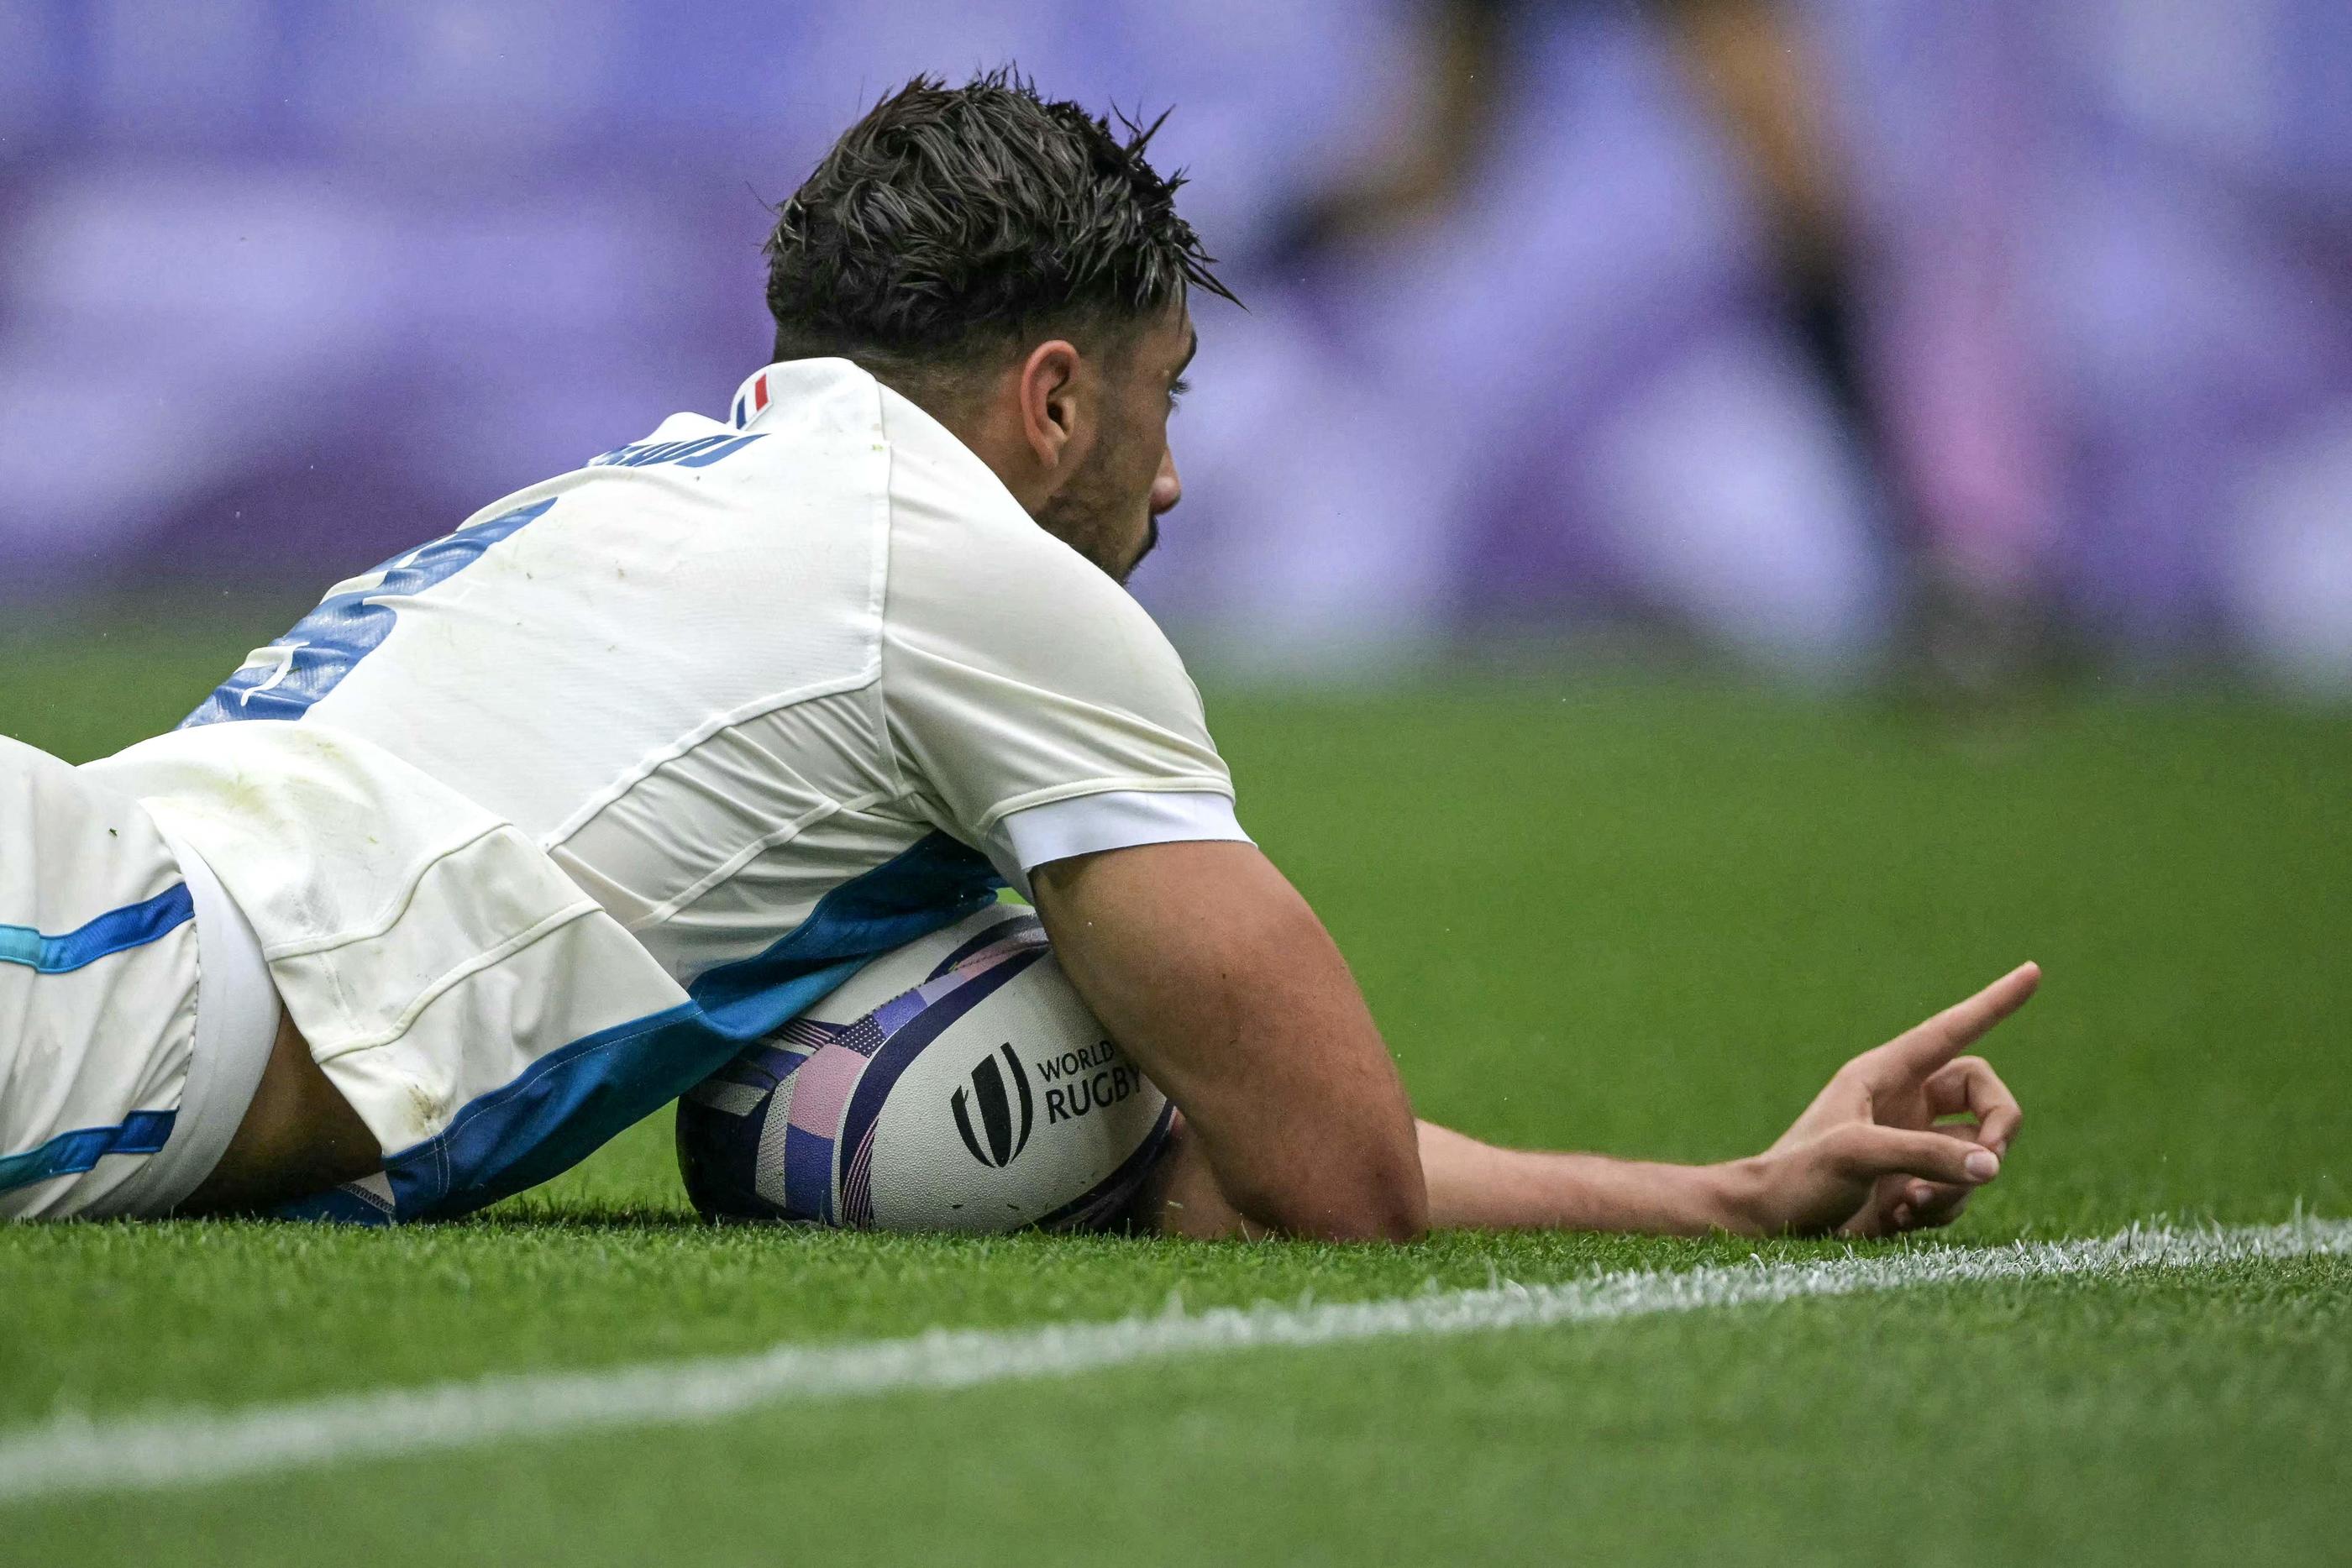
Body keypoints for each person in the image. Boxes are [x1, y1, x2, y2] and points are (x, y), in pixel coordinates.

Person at [2, 70, 2028, 1237]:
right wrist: (1718, 1195)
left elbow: (1210, 1155)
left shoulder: (684, 488)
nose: (1172, 481)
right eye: (1166, 396)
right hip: (106, 990)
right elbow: (1327, 1170)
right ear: (1051, 401)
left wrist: (1732, 1197)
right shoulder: (985, 579)